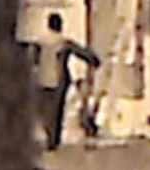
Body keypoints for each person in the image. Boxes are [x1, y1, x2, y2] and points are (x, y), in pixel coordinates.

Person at [35, 13, 101, 151]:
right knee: (57, 110)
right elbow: (81, 52)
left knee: (46, 109)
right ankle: (54, 139)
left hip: (42, 78)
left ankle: (49, 135)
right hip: (59, 79)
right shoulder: (63, 42)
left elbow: (34, 58)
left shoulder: (41, 41)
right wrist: (94, 60)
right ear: (60, 25)